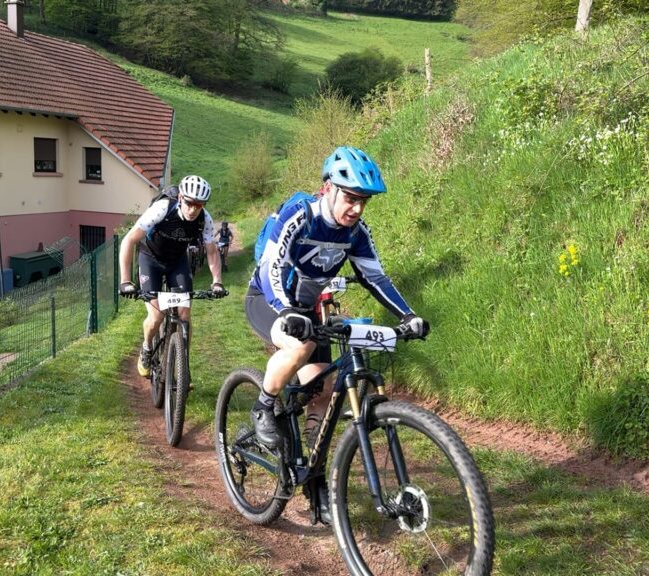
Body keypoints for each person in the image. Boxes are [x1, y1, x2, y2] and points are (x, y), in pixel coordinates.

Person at [244, 146, 429, 524]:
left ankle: (314, 484)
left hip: (309, 311)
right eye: (351, 198)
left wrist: (408, 315)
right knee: (299, 347)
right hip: (268, 299)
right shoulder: (300, 214)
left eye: (364, 201)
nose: (357, 208)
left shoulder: (357, 233)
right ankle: (263, 405)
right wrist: (287, 311)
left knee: (323, 394)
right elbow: (271, 267)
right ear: (328, 188)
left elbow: (375, 278)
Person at [119, 175, 227, 377]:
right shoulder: (162, 209)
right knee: (157, 315)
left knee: (185, 314)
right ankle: (147, 348)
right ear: (180, 198)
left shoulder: (205, 219)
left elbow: (212, 251)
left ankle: (182, 366)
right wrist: (125, 281)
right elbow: (128, 241)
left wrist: (217, 282)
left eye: (199, 204)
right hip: (150, 259)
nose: (194, 209)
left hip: (177, 262)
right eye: (189, 203)